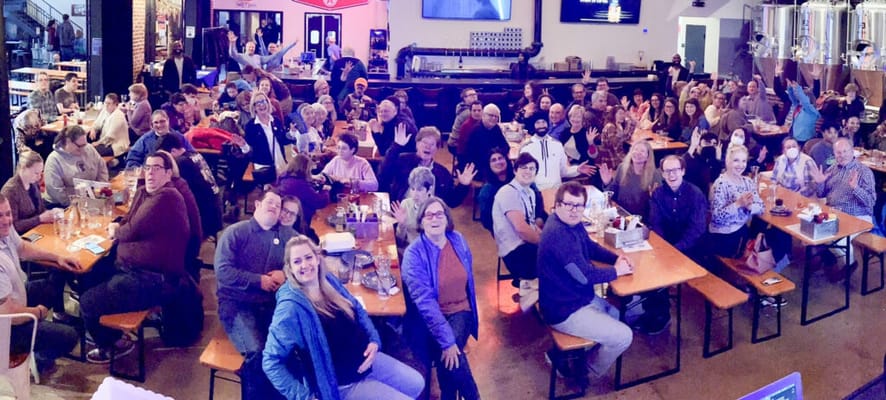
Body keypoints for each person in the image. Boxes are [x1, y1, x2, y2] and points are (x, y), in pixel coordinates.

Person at [263, 235, 424, 400]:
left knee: (417, 383)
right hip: (344, 383)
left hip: (368, 359)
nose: (305, 265)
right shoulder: (290, 308)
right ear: (289, 268)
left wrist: (374, 340)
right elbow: (270, 362)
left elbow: (358, 309)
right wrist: (304, 397)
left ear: (318, 259)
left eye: (308, 257)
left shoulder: (328, 280)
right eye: (297, 261)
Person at [80, 152, 191, 363]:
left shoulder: (166, 197)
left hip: (152, 281)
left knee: (86, 302)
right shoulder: (147, 192)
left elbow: (129, 230)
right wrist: (119, 227)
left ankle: (113, 344)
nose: (150, 173)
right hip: (135, 271)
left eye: (157, 168)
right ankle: (98, 328)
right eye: (147, 167)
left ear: (168, 173)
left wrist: (116, 229)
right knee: (91, 274)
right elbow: (128, 220)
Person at [538, 181, 633, 383]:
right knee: (624, 335)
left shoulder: (570, 224)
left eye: (579, 206)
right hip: (563, 310)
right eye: (569, 204)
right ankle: (584, 371)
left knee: (617, 315)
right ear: (557, 205)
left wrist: (614, 259)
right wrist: (616, 271)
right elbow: (585, 276)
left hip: (576, 297)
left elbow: (589, 246)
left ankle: (565, 356)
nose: (574, 210)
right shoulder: (559, 235)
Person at [215, 189, 296, 399]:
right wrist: (259, 280)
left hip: (270, 305)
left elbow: (310, 256)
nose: (274, 207)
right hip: (236, 305)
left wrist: (285, 274)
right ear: (257, 205)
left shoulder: (286, 235)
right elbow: (223, 272)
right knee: (257, 352)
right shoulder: (235, 232)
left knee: (287, 348)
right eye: (270, 202)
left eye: (278, 206)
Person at [402, 197, 481, 400]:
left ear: (447, 218)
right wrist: (447, 343)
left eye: (439, 214)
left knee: (451, 353)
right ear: (421, 222)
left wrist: (448, 344)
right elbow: (425, 304)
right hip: (429, 317)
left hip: (461, 311)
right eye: (429, 215)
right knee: (451, 354)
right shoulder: (413, 255)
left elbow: (468, 283)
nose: (435, 219)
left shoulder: (459, 240)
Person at [0, 193, 79, 375]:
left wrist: (58, 257)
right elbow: (8, 314)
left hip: (14, 299)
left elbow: (22, 248)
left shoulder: (5, 229)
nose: (6, 220)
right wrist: (38, 312)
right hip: (5, 328)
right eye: (0, 216)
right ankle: (35, 360)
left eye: (8, 213)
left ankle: (46, 332)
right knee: (69, 337)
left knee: (51, 287)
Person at [810, 137, 876, 275]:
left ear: (853, 152)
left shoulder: (864, 172)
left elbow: (871, 202)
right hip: (835, 214)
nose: (842, 155)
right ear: (834, 154)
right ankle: (829, 258)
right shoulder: (833, 169)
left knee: (838, 241)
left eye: (845, 151)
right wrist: (820, 182)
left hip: (859, 217)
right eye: (838, 152)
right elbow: (821, 193)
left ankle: (850, 264)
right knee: (811, 229)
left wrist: (855, 188)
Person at [493, 153, 547, 311]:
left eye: (532, 169)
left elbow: (531, 224)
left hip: (525, 247)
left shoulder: (529, 192)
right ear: (515, 170)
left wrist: (545, 236)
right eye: (524, 168)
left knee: (561, 251)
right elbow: (522, 230)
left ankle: (530, 289)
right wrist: (546, 244)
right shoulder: (508, 192)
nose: (528, 171)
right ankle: (539, 297)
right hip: (514, 252)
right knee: (561, 262)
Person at [379, 126, 475, 207]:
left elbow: (452, 201)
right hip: (400, 213)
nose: (428, 147)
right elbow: (383, 175)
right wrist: (396, 147)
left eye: (432, 144)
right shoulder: (403, 160)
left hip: (428, 218)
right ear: (417, 144)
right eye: (424, 142)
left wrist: (463, 185)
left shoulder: (442, 173)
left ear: (437, 149)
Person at [158, 134, 224, 238]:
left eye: (166, 157)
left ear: (173, 151)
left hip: (204, 219)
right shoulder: (194, 154)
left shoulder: (181, 163)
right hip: (215, 211)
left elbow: (169, 186)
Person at [708, 145, 764, 258]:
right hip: (723, 234)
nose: (740, 165)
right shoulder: (720, 184)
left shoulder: (747, 181)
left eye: (744, 161)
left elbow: (761, 206)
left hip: (741, 229)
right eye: (736, 160)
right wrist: (738, 204)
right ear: (728, 161)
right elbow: (716, 216)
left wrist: (750, 207)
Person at [650, 155, 709, 262]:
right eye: (667, 171)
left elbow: (696, 229)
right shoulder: (657, 194)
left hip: (691, 248)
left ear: (683, 171)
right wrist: (664, 247)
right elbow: (656, 223)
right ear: (663, 174)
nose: (671, 174)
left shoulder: (696, 194)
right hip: (665, 246)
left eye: (675, 170)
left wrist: (676, 249)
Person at [519, 117, 594, 190]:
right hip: (534, 191)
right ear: (533, 125)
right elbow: (521, 174)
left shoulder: (557, 145)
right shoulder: (526, 148)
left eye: (543, 122)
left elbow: (563, 171)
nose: (541, 125)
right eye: (538, 123)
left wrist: (577, 169)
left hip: (556, 190)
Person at [43, 126, 109, 207]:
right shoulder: (54, 160)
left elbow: (101, 168)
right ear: (68, 142)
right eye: (79, 146)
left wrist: (100, 191)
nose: (83, 149)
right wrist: (81, 205)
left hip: (90, 197)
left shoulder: (88, 148)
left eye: (85, 145)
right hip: (62, 205)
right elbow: (57, 192)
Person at [239, 92, 294, 183]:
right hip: (264, 165)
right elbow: (250, 152)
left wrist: (292, 132)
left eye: (263, 101)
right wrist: (243, 145)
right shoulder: (251, 126)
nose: (261, 105)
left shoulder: (276, 120)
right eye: (258, 103)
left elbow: (283, 140)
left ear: (268, 103)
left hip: (280, 161)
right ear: (254, 107)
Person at [599, 141, 660, 219]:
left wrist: (653, 198)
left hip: (641, 219)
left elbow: (658, 206)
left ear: (647, 157)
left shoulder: (654, 175)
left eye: (642, 151)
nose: (638, 153)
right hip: (620, 216)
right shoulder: (622, 168)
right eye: (635, 149)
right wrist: (607, 183)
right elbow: (612, 195)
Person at [1, 151, 57, 234]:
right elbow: (13, 226)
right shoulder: (10, 191)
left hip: (37, 229)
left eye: (41, 172)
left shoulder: (33, 183)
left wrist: (50, 214)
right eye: (36, 173)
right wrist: (40, 219)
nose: (39, 177)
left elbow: (41, 210)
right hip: (23, 236)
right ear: (23, 168)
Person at [125, 110, 194, 168]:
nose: (159, 125)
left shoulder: (179, 137)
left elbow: (193, 154)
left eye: (162, 121)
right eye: (156, 122)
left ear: (168, 121)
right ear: (151, 125)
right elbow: (132, 159)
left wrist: (183, 155)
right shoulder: (144, 140)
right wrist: (140, 171)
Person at [277, 155, 330, 225]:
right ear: (305, 169)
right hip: (299, 220)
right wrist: (325, 190)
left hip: (285, 213)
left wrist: (312, 178)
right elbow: (319, 202)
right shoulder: (300, 185)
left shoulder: (283, 176)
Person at [392, 167, 435, 247]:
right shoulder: (406, 204)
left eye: (419, 190)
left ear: (429, 189)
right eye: (412, 189)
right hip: (409, 250)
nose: (415, 194)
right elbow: (399, 242)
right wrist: (402, 224)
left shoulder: (436, 207)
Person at [478, 148, 515, 233]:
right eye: (493, 160)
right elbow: (486, 220)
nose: (498, 162)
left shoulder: (517, 180)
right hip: (503, 231)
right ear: (489, 165)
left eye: (500, 158)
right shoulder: (487, 191)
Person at [463, 104, 508, 170]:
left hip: (494, 162)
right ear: (483, 115)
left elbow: (506, 146)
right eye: (491, 115)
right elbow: (475, 155)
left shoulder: (496, 128)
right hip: (479, 167)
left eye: (496, 116)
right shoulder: (475, 131)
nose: (494, 118)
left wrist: (498, 155)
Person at [89, 93, 130, 159]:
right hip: (104, 141)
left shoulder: (118, 116)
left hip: (115, 145)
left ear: (115, 105)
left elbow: (110, 136)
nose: (106, 105)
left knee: (91, 151)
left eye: (109, 103)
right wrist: (93, 129)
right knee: (87, 139)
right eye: (105, 103)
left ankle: (116, 161)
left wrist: (97, 143)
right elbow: (97, 123)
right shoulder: (105, 111)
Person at [683, 131, 723, 196]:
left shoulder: (711, 162)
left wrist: (718, 159)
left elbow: (714, 178)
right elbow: (682, 165)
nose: (711, 146)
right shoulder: (691, 159)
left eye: (714, 144)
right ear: (698, 144)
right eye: (707, 142)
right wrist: (693, 146)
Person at [784, 79, 820, 146]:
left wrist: (798, 88)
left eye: (801, 98)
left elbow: (805, 101)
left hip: (806, 140)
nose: (800, 100)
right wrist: (789, 88)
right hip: (794, 137)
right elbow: (792, 98)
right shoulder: (799, 107)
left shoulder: (811, 111)